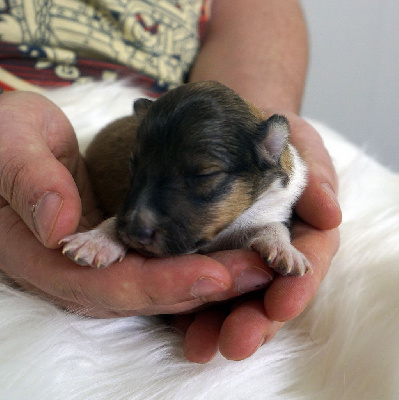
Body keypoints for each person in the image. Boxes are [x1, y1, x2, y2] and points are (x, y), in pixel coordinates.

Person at [0, 0, 341, 363]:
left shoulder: (275, 176)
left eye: (203, 177)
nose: (141, 220)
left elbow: (269, 219)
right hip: (62, 115)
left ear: (271, 151)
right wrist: (112, 233)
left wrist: (277, 240)